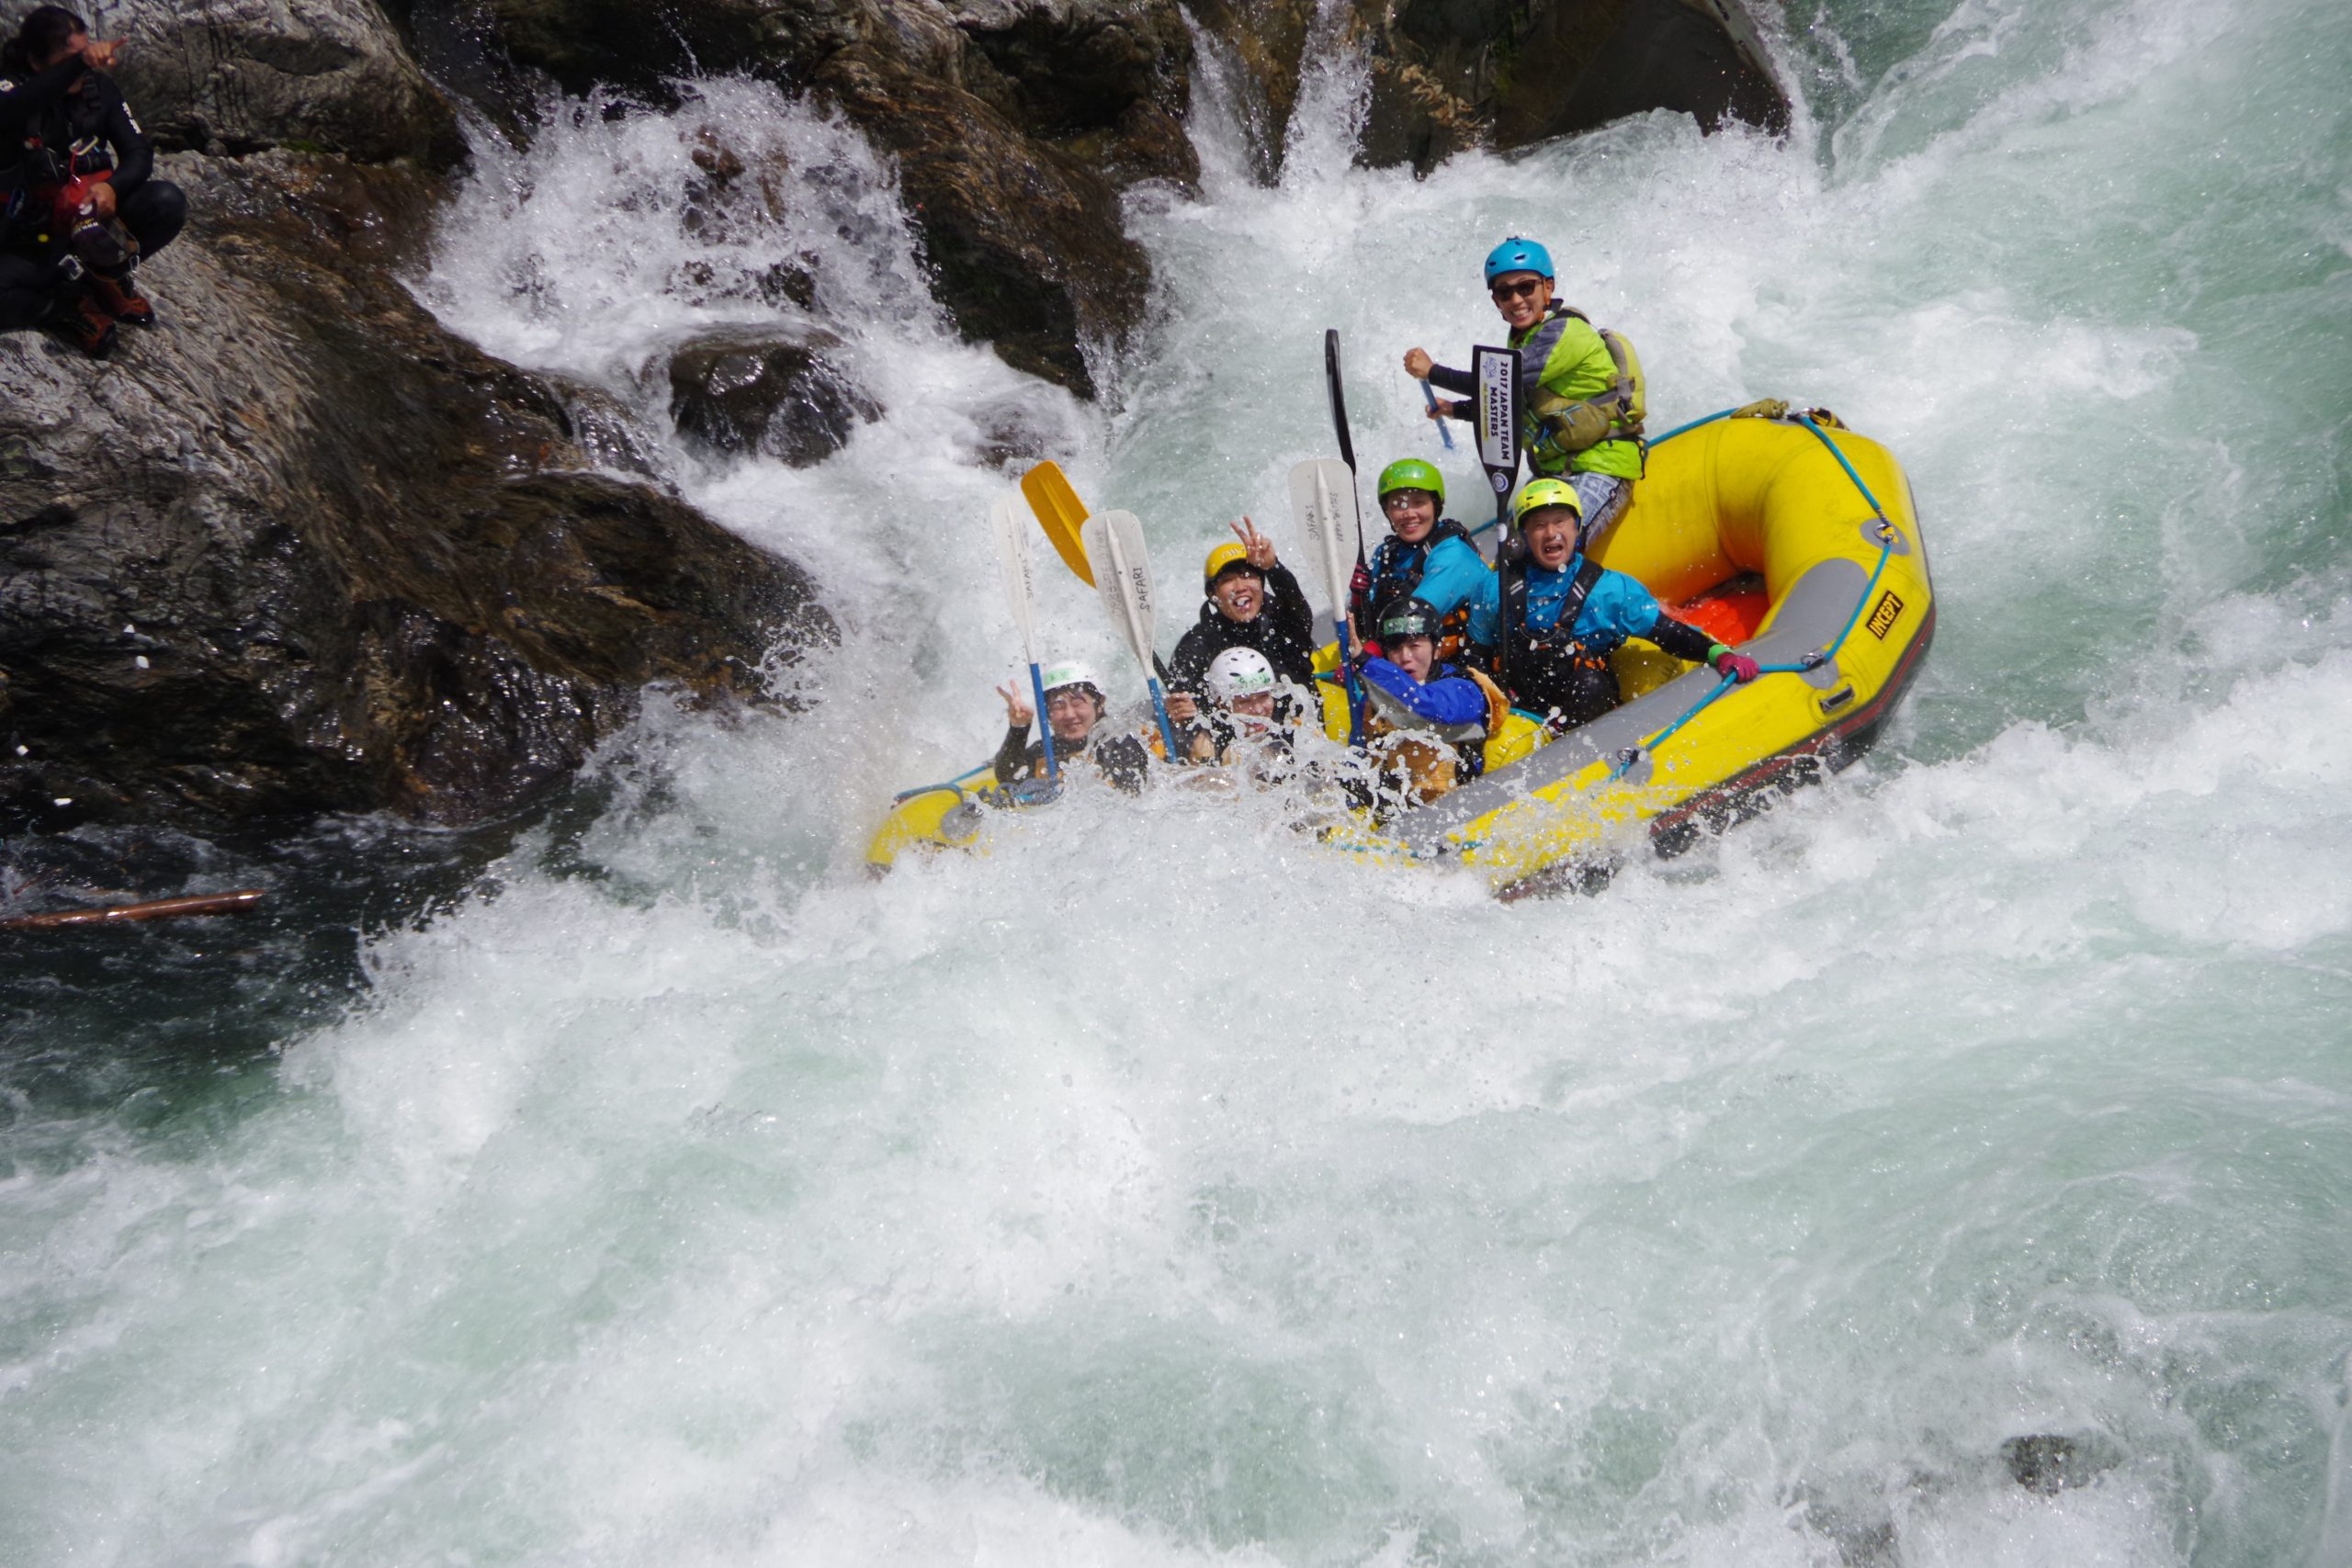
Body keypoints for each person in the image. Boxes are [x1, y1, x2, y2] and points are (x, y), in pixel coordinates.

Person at [1403, 236, 1645, 550]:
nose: (1516, 299)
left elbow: (1504, 380)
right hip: (1554, 472)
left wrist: (1433, 372)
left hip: (1601, 467)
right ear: (1496, 301)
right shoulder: (1522, 339)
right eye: (1505, 292)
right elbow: (1509, 405)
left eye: (1526, 287)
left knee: (1549, 549)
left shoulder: (1565, 332)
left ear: (1548, 287)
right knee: (1511, 555)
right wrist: (1456, 409)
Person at [1465, 479, 1758, 730]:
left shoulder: (1610, 591)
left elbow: (1666, 632)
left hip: (1583, 706)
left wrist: (1718, 654)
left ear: (1577, 527)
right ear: (1524, 536)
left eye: (1560, 521)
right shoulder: (1496, 588)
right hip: (1519, 706)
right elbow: (1476, 654)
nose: (1551, 533)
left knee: (1590, 684)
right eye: (1539, 525)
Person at [0, 7, 187, 357]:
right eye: (72, 62)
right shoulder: (12, 96)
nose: (84, 69)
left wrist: (112, 187)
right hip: (30, 240)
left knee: (167, 201)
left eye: (86, 56)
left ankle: (104, 279)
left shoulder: (98, 90)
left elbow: (138, 153)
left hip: (88, 227)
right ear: (36, 62)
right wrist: (80, 62)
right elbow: (19, 104)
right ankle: (64, 308)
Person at [1355, 597, 1510, 808]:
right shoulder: (1376, 699)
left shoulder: (1463, 688)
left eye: (1414, 646)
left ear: (1437, 649)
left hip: (1454, 808)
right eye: (1395, 648)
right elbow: (1359, 756)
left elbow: (1425, 709)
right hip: (1396, 809)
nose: (1405, 657)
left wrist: (1366, 662)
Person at [1165, 516, 1317, 723]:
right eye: (1228, 580)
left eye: (1247, 576)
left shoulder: (1283, 621)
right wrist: (1185, 711)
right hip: (1238, 737)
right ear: (1212, 594)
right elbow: (1181, 702)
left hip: (1299, 729)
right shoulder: (1197, 644)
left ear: (1261, 584)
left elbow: (1297, 605)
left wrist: (1272, 566)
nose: (1240, 587)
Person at [1357, 457, 1489, 659]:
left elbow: (1413, 621)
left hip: (1460, 665)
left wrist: (1366, 658)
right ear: (1387, 511)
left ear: (1436, 505)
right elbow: (1363, 624)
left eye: (1419, 502)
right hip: (1407, 661)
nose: (1409, 513)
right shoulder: (1386, 553)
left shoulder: (1454, 554)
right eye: (1398, 504)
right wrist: (1357, 599)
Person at [992, 660, 1150, 795]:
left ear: (1100, 703)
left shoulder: (1121, 742)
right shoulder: (1045, 750)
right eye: (1057, 706)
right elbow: (1007, 777)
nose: (1069, 714)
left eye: (1077, 703)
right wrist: (1019, 728)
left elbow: (1129, 792)